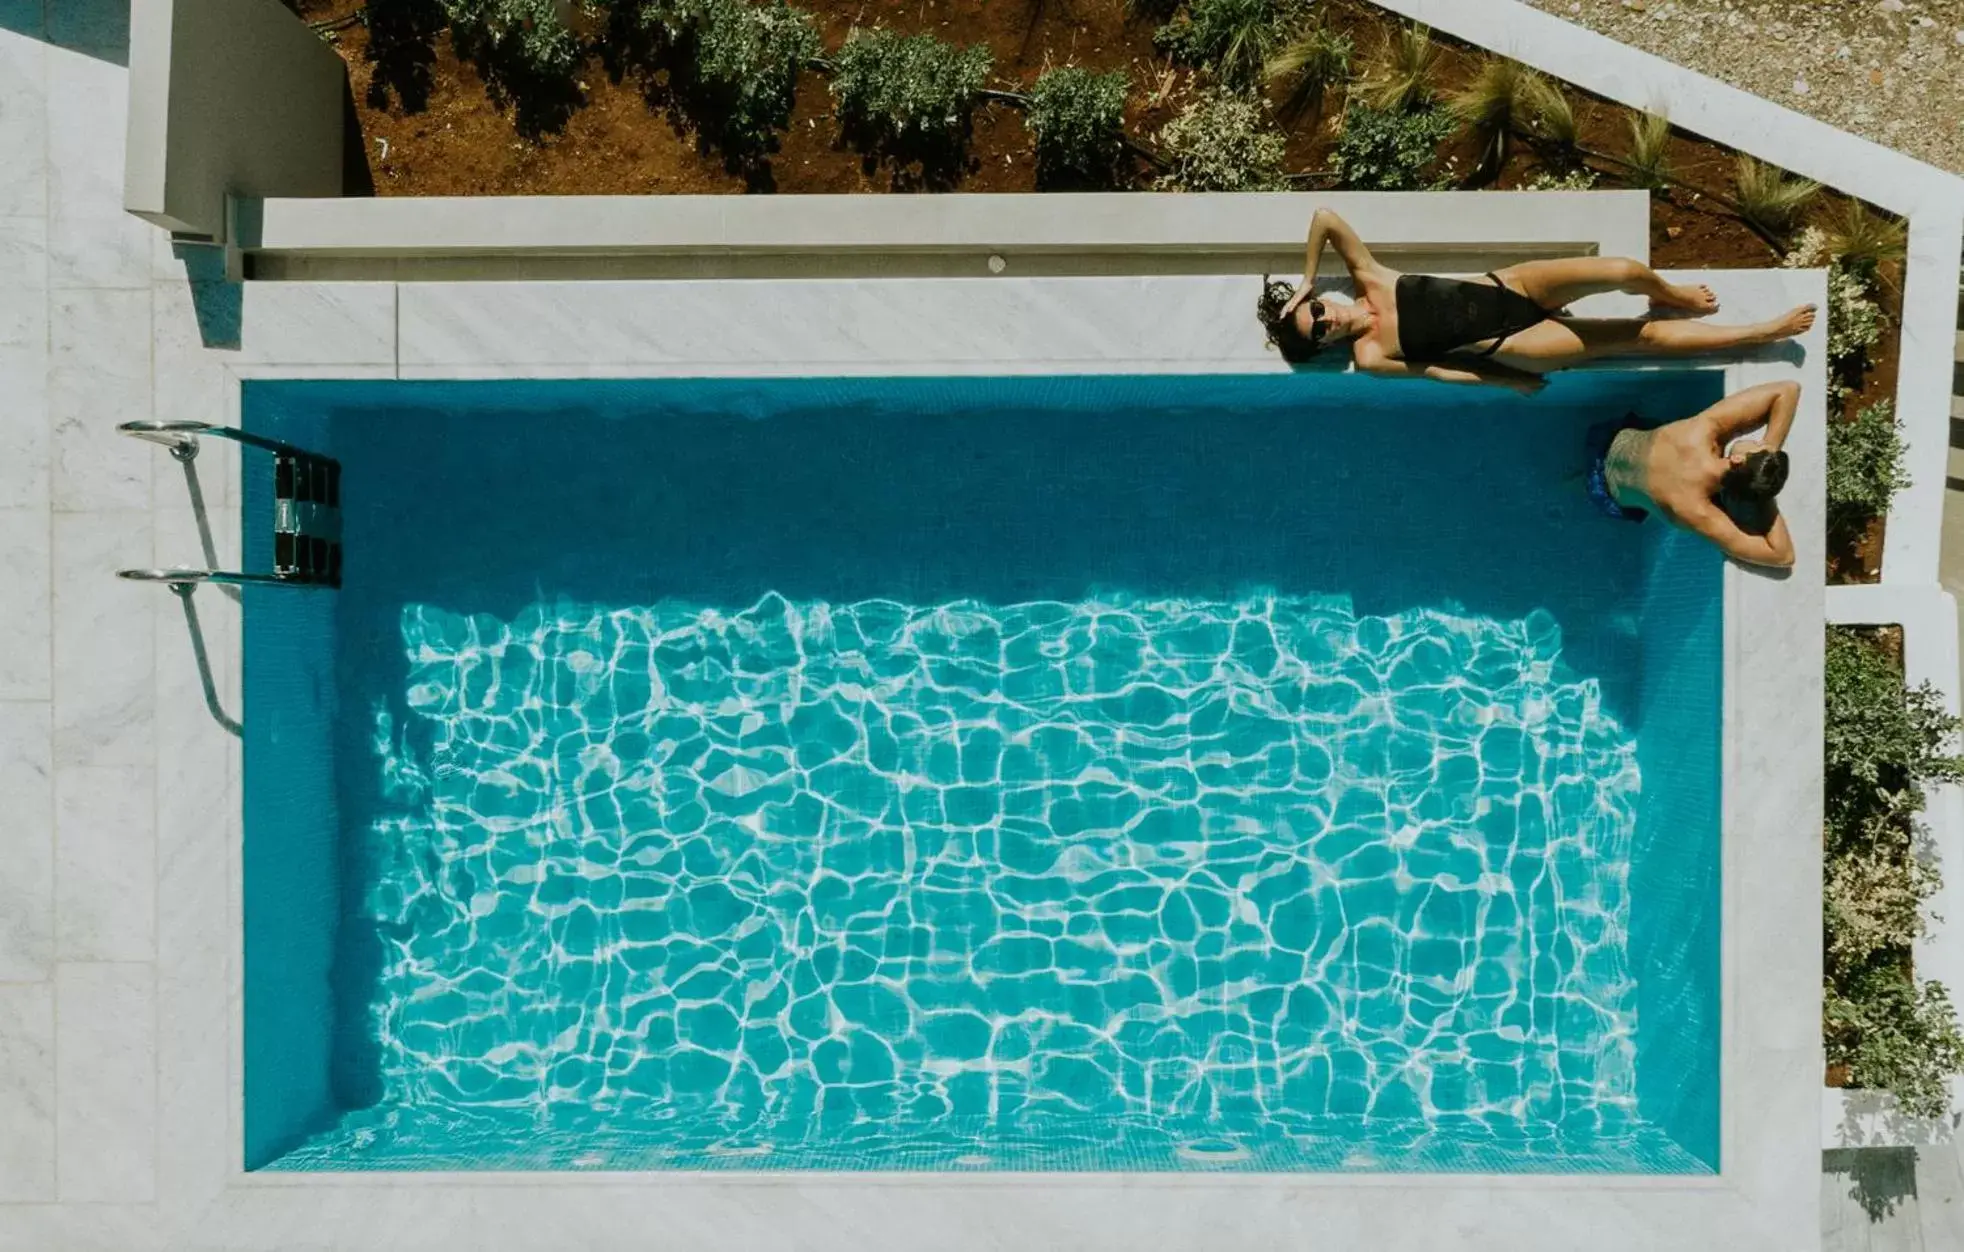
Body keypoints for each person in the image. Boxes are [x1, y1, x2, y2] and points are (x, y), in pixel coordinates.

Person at [1256, 208, 1816, 392]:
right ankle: (1758, 333)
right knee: (1635, 337)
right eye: (1319, 332)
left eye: (1318, 313)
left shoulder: (1369, 278)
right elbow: (1444, 372)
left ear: (1324, 300)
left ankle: (1675, 296)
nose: (1327, 322)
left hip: (1513, 286)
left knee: (1625, 270)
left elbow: (1325, 218)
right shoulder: (1373, 357)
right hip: (1516, 341)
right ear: (1326, 345)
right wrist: (1508, 379)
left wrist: (1303, 282)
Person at [1587, 379, 1799, 569]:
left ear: (1737, 460)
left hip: (1610, 440)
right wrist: (1760, 491)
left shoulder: (1703, 430)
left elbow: (1787, 389)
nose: (1758, 442)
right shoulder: (1698, 512)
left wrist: (1768, 450)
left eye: (1758, 445)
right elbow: (1781, 555)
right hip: (1606, 492)